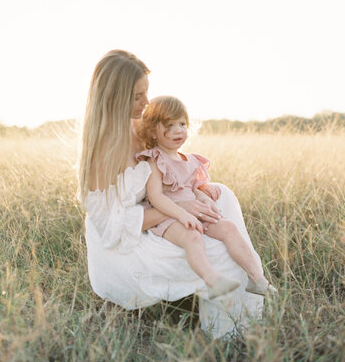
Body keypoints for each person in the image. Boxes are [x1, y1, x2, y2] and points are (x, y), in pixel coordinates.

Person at [79, 49, 267, 338]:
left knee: (223, 197)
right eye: (137, 96)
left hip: (161, 212)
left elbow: (172, 163)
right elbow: (114, 227)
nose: (147, 102)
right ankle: (230, 331)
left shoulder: (141, 125)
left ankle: (252, 288)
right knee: (216, 250)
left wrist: (197, 191)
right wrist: (179, 210)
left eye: (146, 92)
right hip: (129, 239)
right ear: (114, 98)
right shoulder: (102, 154)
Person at [136, 95, 277, 299]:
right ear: (152, 131)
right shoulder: (155, 159)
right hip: (168, 216)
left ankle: (257, 279)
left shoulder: (190, 160)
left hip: (193, 211)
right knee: (193, 236)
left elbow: (190, 188)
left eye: (182, 124)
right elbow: (156, 197)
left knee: (229, 227)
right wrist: (183, 215)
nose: (179, 130)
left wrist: (203, 197)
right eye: (170, 125)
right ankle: (212, 280)